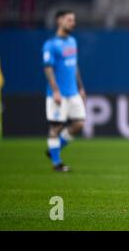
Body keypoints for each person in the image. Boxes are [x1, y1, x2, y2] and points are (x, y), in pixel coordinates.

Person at [42, 10, 86, 172]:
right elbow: (48, 68)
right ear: (59, 21)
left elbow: (74, 66)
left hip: (73, 92)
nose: (72, 23)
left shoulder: (72, 42)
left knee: (79, 123)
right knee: (56, 127)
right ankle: (56, 163)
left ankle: (54, 149)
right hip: (58, 94)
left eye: (73, 20)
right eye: (69, 20)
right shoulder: (51, 44)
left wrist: (81, 87)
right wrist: (55, 91)